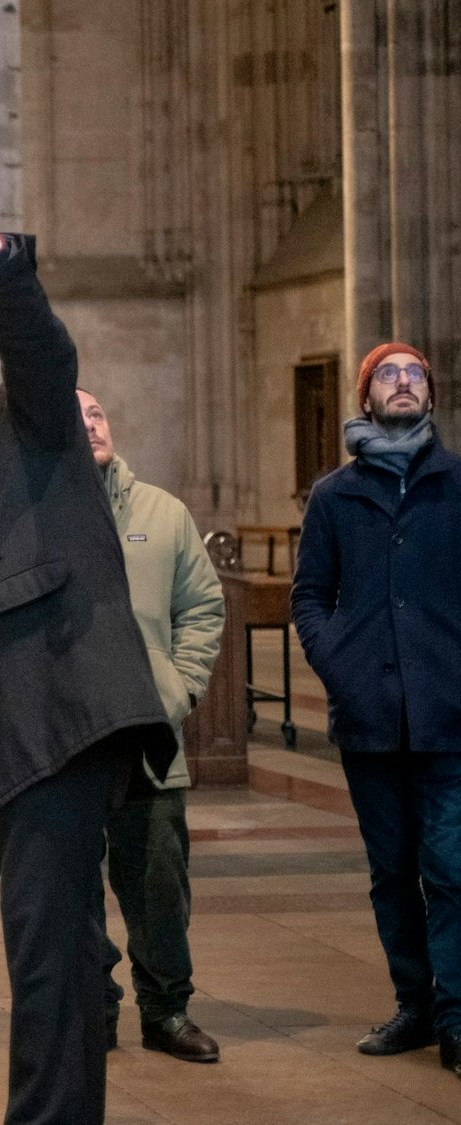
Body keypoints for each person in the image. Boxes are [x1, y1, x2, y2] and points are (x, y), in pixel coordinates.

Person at [0, 135, 175, 1124]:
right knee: (63, 955)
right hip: (16, 749)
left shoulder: (28, 419)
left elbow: (38, 345)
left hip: (61, 711)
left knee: (44, 957)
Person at [292, 342, 461, 1084]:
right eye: (388, 375)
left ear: (431, 393)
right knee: (392, 871)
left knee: (451, 869)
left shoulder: (457, 484)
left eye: (414, 374)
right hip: (369, 718)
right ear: (366, 398)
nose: (402, 383)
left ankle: (456, 1015)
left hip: (449, 714)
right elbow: (310, 596)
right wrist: (345, 668)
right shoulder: (335, 496)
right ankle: (412, 1004)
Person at [81, 390, 226, 1062]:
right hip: (67, 739)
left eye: (98, 414)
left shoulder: (161, 512)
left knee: (159, 882)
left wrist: (181, 686)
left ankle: (166, 1010)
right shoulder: (32, 514)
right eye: (72, 416)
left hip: (146, 731)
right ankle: (91, 1008)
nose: (89, 424)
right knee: (70, 887)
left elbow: (201, 607)